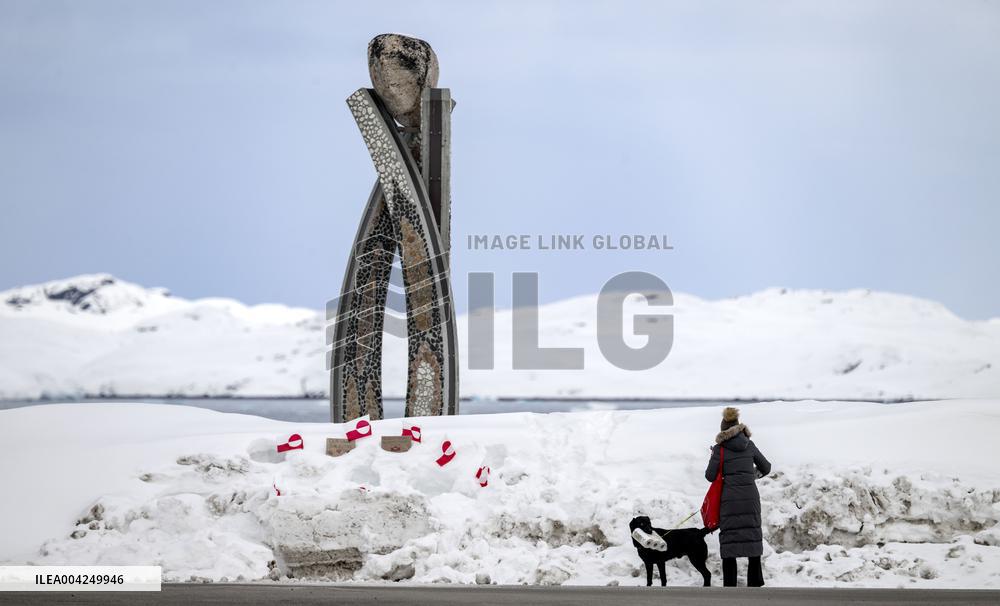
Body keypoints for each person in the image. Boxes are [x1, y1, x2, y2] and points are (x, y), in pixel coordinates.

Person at [705, 406, 771, 587]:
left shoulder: (720, 449)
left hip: (729, 500)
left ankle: (730, 587)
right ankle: (756, 584)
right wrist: (751, 476)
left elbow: (710, 476)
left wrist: (714, 457)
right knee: (752, 537)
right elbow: (766, 467)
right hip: (750, 499)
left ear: (723, 430)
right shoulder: (749, 444)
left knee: (730, 541)